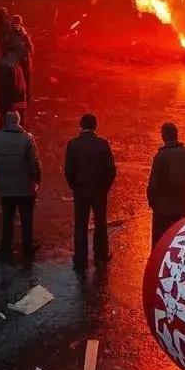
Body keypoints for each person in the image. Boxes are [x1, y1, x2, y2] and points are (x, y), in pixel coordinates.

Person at [64, 113, 117, 275]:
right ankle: (100, 256)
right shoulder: (103, 144)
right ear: (95, 126)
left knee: (81, 224)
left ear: (81, 125)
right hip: (99, 190)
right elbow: (111, 169)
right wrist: (105, 187)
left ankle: (80, 259)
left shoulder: (73, 144)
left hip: (81, 189)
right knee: (100, 223)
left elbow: (68, 170)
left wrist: (75, 186)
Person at [0, 110, 42, 259]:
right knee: (26, 218)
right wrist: (36, 179)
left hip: (6, 186)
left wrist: (0, 173)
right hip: (25, 187)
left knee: (7, 217)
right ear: (18, 121)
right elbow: (34, 164)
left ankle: (6, 247)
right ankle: (28, 247)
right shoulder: (27, 139)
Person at [146, 122, 185, 246]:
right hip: (182, 207)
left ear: (164, 137)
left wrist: (153, 203)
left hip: (163, 210)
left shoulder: (160, 156)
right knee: (180, 242)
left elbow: (153, 185)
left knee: (159, 244)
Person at [0, 49, 28, 128]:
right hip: (19, 96)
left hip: (10, 98)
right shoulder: (15, 63)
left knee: (7, 121)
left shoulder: (5, 65)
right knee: (19, 122)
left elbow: (6, 84)